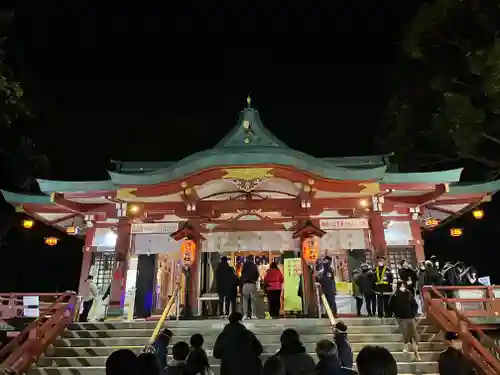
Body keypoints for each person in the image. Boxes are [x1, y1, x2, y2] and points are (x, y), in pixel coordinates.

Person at [388, 281, 420, 360]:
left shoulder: (409, 293)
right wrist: (395, 313)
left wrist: (413, 313)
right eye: (401, 285)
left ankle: (415, 350)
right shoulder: (395, 295)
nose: (402, 287)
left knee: (413, 333)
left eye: (403, 285)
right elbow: (390, 306)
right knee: (405, 332)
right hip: (401, 318)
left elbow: (414, 304)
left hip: (410, 317)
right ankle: (407, 348)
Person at [240, 255, 260, 319]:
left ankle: (245, 315)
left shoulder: (244, 265)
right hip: (252, 284)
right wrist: (255, 279)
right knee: (253, 300)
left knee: (245, 300)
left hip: (245, 285)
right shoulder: (254, 266)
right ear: (252, 259)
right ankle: (253, 315)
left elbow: (242, 274)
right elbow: (257, 275)